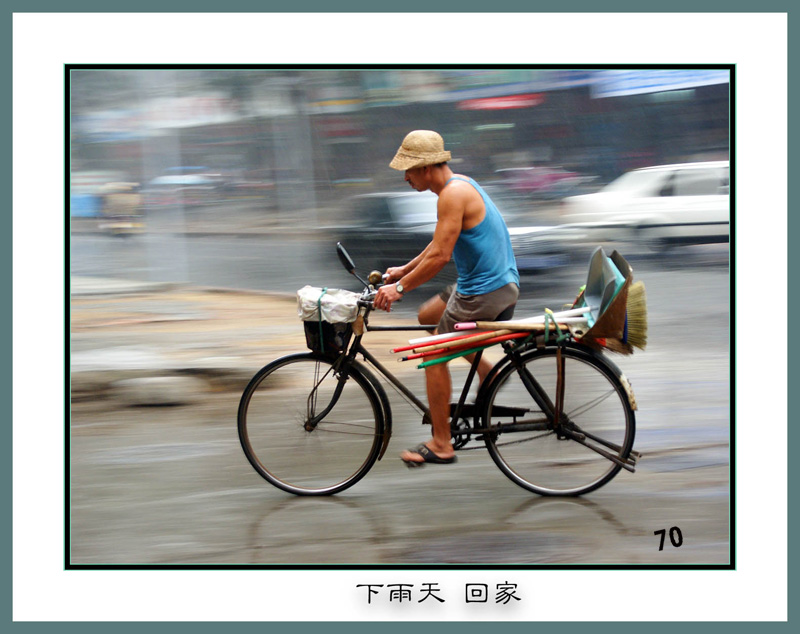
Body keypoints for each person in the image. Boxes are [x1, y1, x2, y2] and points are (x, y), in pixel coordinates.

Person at [373, 130, 519, 466]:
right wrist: (403, 271)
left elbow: (440, 257)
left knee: (433, 354)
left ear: (425, 168)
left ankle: (442, 443)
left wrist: (398, 289)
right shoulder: (458, 185)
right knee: (427, 315)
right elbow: (439, 243)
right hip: (484, 285)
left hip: (486, 291)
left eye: (408, 170)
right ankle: (487, 370)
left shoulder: (451, 195)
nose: (405, 177)